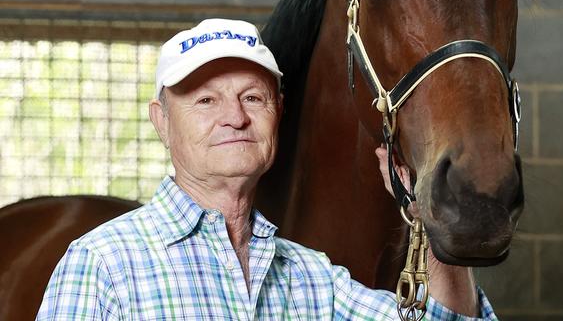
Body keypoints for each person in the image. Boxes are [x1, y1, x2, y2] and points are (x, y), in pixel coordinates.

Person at [37, 18, 497, 320]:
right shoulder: (102, 265)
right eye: (205, 100)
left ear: (278, 110)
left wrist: (430, 216)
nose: (234, 117)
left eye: (252, 97)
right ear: (161, 120)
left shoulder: (312, 279)